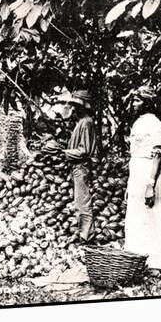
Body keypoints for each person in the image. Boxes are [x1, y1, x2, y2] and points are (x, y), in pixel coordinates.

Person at [124, 85, 161, 270]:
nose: (134, 104)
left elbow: (157, 155)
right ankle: (138, 261)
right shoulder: (138, 123)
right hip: (137, 173)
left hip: (148, 173)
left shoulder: (154, 124)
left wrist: (150, 184)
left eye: (138, 101)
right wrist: (131, 184)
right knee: (139, 218)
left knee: (152, 216)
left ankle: (157, 263)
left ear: (147, 103)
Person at [58, 90, 97, 243]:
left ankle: (87, 237)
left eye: (76, 106)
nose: (74, 109)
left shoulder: (86, 122)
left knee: (83, 203)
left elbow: (84, 151)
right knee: (79, 202)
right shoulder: (81, 123)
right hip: (78, 167)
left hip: (82, 167)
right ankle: (84, 234)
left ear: (84, 107)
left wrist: (64, 153)